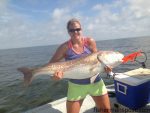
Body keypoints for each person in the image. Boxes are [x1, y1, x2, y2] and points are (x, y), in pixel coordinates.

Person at [49, 18, 112, 113]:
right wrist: (55, 77)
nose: (75, 32)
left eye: (78, 29)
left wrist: (106, 69)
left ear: (81, 30)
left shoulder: (90, 41)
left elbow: (98, 61)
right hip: (76, 86)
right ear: (68, 32)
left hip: (95, 83)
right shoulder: (64, 47)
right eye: (72, 30)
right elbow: (51, 65)